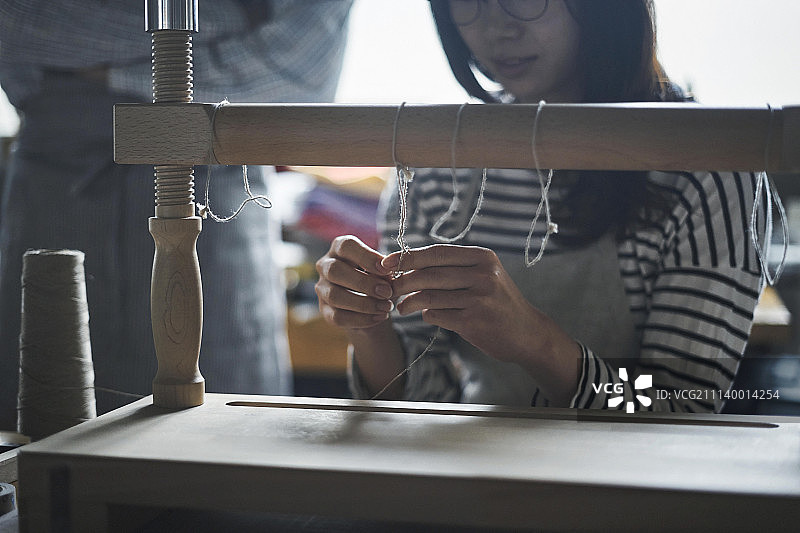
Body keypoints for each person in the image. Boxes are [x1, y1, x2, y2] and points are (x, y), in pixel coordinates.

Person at [315, 0, 766, 413]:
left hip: (632, 478)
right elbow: (425, 401)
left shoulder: (704, 170)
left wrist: (537, 344)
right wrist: (366, 324)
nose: (497, 27)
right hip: (477, 469)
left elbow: (681, 408)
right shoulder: (440, 171)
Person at [0, 0, 353, 430]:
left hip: (217, 206)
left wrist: (103, 72)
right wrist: (225, 22)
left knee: (225, 434)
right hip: (56, 194)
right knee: (45, 427)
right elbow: (13, 24)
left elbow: (303, 76)